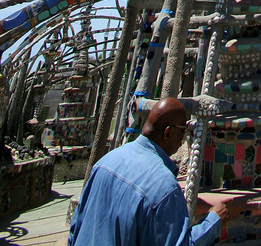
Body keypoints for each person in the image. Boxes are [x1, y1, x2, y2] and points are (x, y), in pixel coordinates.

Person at [68, 98, 234, 246]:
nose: (184, 138)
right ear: (168, 133)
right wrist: (214, 221)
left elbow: (75, 228)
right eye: (183, 131)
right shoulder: (163, 187)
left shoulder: (104, 163)